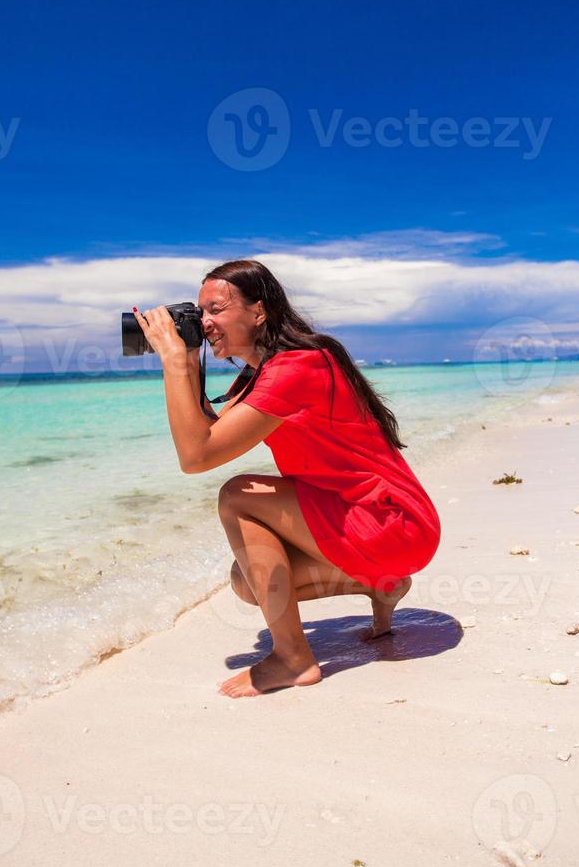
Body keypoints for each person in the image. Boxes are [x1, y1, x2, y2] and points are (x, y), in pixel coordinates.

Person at [131, 259, 441, 698]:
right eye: (199, 314)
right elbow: (206, 435)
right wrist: (186, 359)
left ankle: (294, 659)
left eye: (216, 310)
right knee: (248, 581)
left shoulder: (296, 367)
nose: (205, 323)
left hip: (390, 522)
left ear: (259, 312)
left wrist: (173, 363)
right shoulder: (263, 373)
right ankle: (381, 582)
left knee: (237, 495)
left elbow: (196, 457)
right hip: (384, 526)